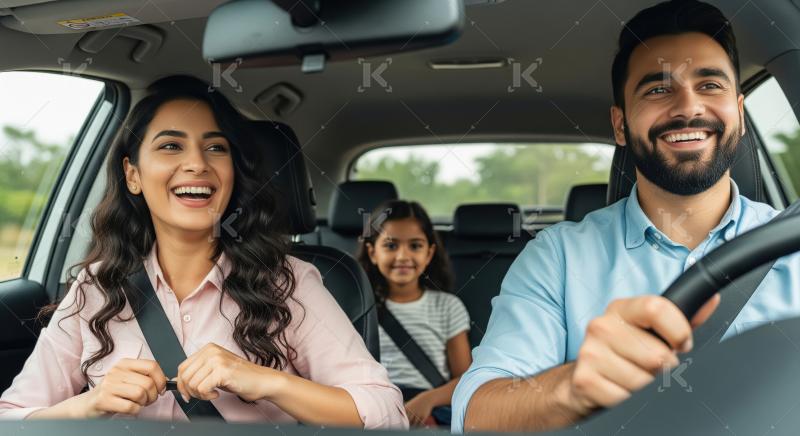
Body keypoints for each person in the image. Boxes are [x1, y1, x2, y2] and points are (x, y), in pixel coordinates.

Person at [452, 1, 800, 432]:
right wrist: (573, 387)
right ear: (620, 126)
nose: (688, 107)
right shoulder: (558, 257)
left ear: (740, 113)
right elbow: (475, 415)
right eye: (657, 89)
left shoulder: (794, 244)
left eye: (710, 85)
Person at [0, 76, 408, 429]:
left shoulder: (288, 282)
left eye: (216, 148)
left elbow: (387, 412)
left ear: (233, 173)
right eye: (171, 147)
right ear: (133, 175)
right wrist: (87, 406)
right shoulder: (95, 287)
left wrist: (267, 381)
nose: (196, 163)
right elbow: (12, 417)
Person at [356, 200, 472, 428]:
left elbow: (466, 380)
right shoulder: (359, 307)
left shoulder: (448, 306)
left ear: (429, 254)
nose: (402, 256)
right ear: (372, 253)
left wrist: (428, 400)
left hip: (430, 407)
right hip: (374, 407)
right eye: (390, 246)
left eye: (415, 246)